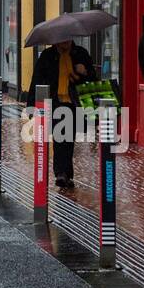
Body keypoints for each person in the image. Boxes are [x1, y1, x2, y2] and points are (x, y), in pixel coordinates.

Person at [25, 39, 95, 189]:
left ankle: (66, 174)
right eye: (62, 41)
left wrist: (84, 72)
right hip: (56, 102)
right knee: (59, 137)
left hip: (75, 103)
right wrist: (32, 106)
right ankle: (61, 173)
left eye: (68, 41)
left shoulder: (81, 54)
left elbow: (93, 81)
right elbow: (36, 79)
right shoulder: (48, 56)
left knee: (68, 139)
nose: (65, 43)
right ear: (56, 41)